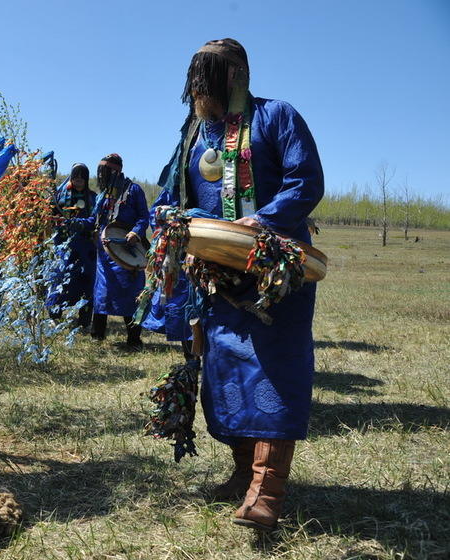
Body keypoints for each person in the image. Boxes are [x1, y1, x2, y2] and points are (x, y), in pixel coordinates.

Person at [155, 38, 324, 530]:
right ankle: (241, 473)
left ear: (238, 77)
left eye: (213, 76)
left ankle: (267, 489)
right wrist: (170, 219)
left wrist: (265, 220)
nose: (200, 87)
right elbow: (170, 192)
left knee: (273, 372)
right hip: (214, 277)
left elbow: (305, 181)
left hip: (272, 274)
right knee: (226, 374)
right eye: (196, 77)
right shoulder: (193, 134)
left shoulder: (277, 117)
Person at [80, 153, 149, 350]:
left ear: (115, 171)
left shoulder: (134, 190)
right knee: (102, 294)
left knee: (130, 294)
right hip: (105, 253)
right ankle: (97, 335)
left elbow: (144, 217)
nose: (101, 175)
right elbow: (93, 221)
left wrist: (136, 232)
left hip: (127, 252)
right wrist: (73, 223)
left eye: (104, 171)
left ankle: (134, 339)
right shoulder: (103, 195)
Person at [46, 163, 97, 328]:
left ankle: (84, 320)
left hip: (87, 247)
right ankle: (55, 314)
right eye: (76, 176)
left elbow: (96, 219)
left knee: (87, 282)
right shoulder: (60, 196)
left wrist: (81, 223)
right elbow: (51, 217)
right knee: (61, 278)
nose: (79, 180)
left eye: (83, 177)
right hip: (65, 246)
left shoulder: (93, 197)